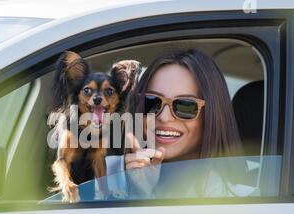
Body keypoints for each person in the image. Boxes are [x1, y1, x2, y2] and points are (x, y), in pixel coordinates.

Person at [104, 49, 256, 199]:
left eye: (185, 105)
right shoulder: (106, 181)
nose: (164, 117)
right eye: (151, 102)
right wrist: (139, 193)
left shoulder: (242, 201)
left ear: (212, 114)